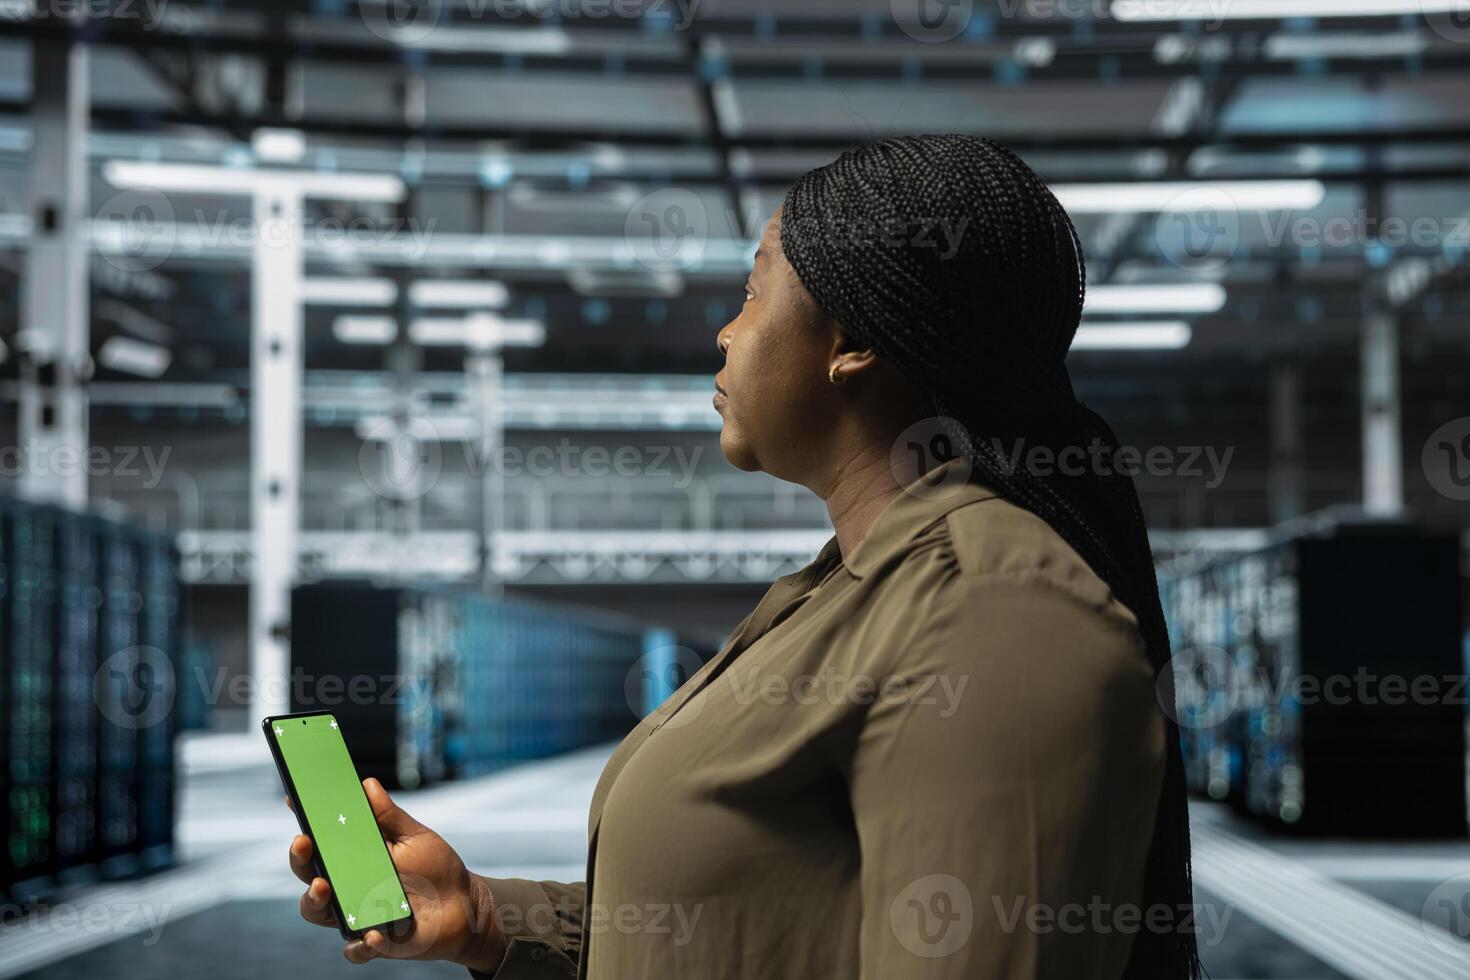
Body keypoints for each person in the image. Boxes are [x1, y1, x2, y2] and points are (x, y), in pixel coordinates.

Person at [286, 134, 1200, 979]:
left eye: (755, 292)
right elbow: (741, 931)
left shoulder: (990, 614)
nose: (728, 332)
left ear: (855, 344)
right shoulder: (841, 593)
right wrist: (484, 916)